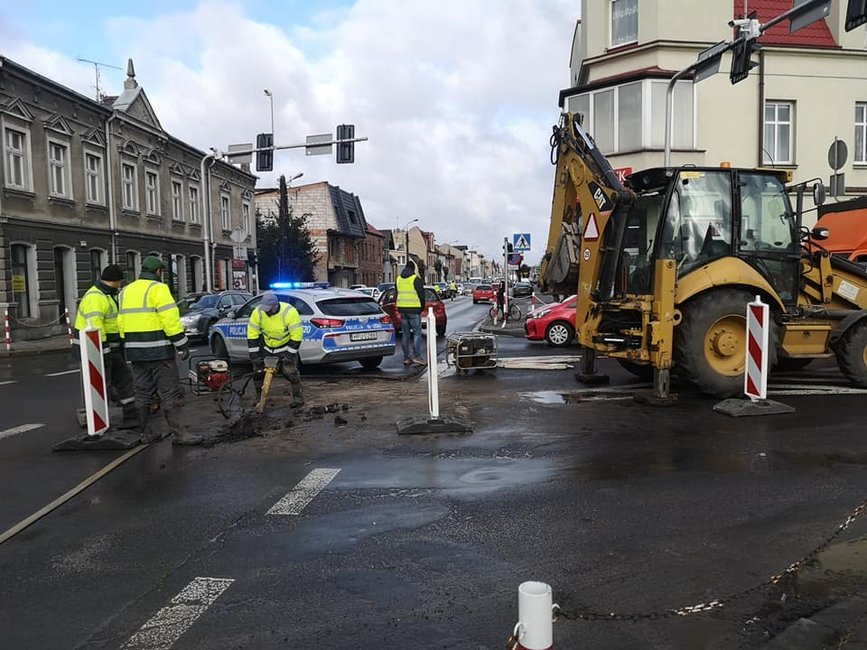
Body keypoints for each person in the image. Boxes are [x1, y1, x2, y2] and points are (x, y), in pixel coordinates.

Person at [117, 255, 201, 446]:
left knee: (142, 393)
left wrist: (128, 344)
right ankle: (180, 435)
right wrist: (182, 344)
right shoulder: (159, 289)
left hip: (135, 353)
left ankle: (146, 433)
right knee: (170, 392)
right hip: (159, 352)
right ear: (158, 272)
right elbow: (169, 320)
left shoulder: (125, 291)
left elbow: (121, 322)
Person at [72, 264, 137, 428]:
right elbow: (96, 328)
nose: (121, 284)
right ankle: (99, 419)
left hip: (109, 347)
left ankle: (129, 413)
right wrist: (105, 351)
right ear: (115, 281)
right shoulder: (96, 297)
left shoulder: (109, 294)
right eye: (120, 281)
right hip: (96, 348)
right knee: (102, 383)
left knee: (123, 379)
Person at [247, 291, 304, 408]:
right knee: (258, 372)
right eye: (264, 308)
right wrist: (254, 356)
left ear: (275, 305)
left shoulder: (289, 312)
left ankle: (298, 398)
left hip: (284, 346)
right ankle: (259, 397)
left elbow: (297, 335)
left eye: (269, 308)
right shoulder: (258, 312)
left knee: (290, 372)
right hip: (267, 346)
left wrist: (289, 356)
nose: (266, 311)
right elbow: (252, 335)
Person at [396, 261, 426, 366]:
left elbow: (397, 293)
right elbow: (422, 295)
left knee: (405, 335)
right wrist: (422, 307)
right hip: (414, 310)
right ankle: (417, 356)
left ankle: (406, 358)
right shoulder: (415, 279)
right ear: (413, 269)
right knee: (417, 334)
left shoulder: (398, 279)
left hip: (402, 310)